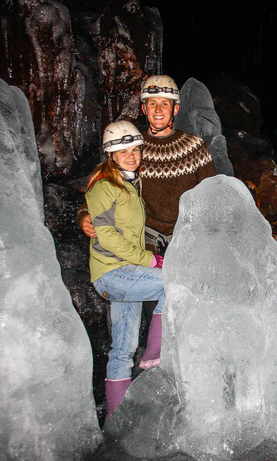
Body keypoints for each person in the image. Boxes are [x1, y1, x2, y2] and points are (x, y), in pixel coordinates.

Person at [79, 75, 216, 370]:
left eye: (164, 104)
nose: (157, 110)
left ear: (175, 109)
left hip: (184, 244)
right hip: (141, 251)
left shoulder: (194, 147)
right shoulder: (130, 147)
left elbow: (212, 196)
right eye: (151, 103)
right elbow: (101, 188)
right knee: (127, 338)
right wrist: (84, 217)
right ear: (143, 108)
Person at [85, 120, 166, 419]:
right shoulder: (105, 186)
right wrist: (150, 260)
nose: (131, 155)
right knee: (172, 282)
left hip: (126, 274)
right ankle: (156, 350)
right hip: (114, 273)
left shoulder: (130, 184)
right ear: (111, 155)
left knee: (122, 348)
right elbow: (106, 235)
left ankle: (115, 418)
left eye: (135, 149)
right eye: (123, 151)